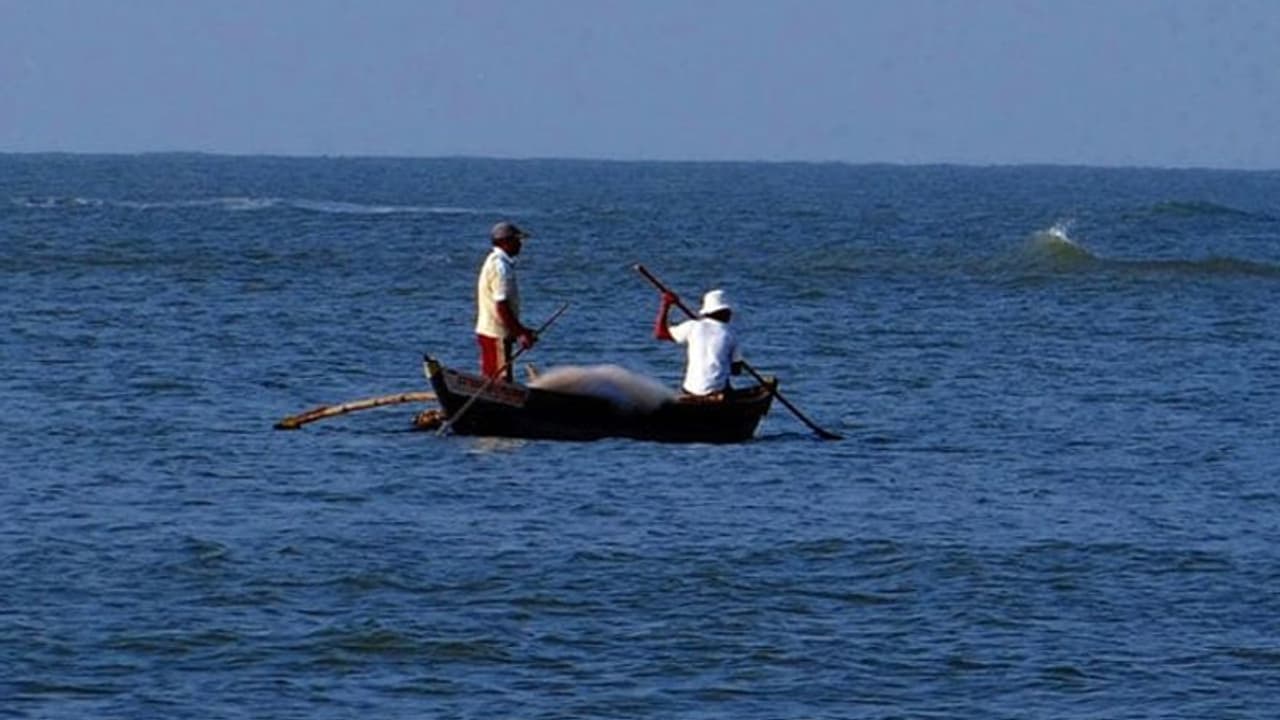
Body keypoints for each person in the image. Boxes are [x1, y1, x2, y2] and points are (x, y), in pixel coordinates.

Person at [475, 221, 536, 381]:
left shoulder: (493, 260)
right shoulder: (500, 267)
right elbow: (501, 306)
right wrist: (520, 333)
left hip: (491, 330)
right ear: (505, 242)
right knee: (499, 381)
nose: (520, 244)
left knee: (493, 378)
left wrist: (521, 330)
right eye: (517, 240)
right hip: (496, 333)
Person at [653, 288, 743, 396]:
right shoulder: (731, 334)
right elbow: (736, 371)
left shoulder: (693, 326)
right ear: (725, 312)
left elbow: (660, 333)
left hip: (690, 390)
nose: (730, 315)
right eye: (729, 312)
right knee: (726, 379)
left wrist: (666, 305)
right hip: (717, 392)